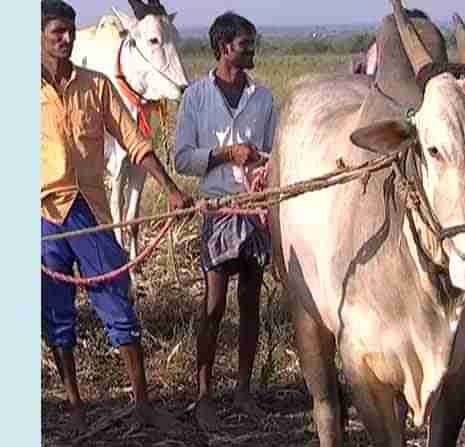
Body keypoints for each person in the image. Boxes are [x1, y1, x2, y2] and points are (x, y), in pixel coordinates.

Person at [40, 0, 192, 436]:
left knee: (118, 305)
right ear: (38, 36)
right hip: (42, 216)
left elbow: (134, 140)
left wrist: (172, 189)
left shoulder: (96, 86)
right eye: (56, 32)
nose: (66, 38)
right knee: (57, 317)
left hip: (89, 210)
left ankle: (142, 404)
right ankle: (73, 408)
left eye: (69, 31)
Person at [174, 11, 277, 431]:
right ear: (223, 48)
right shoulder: (195, 98)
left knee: (250, 304)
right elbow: (182, 158)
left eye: (252, 43)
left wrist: (260, 162)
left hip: (254, 209)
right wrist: (223, 154)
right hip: (217, 211)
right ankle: (203, 395)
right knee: (214, 306)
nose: (251, 50)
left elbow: (276, 154)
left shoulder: (265, 98)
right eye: (243, 44)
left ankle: (244, 391)